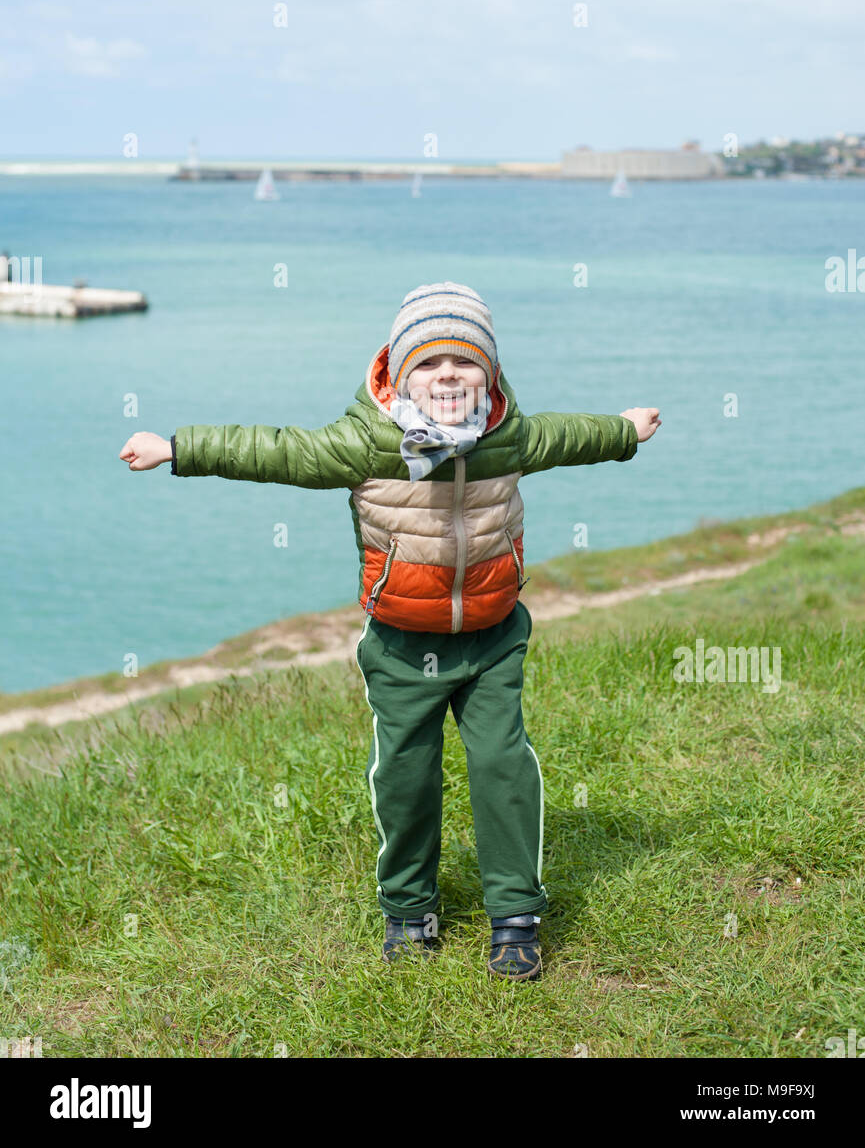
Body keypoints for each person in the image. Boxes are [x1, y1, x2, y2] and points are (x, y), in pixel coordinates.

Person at [119, 281, 660, 980]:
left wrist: (623, 431)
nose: (446, 377)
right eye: (428, 363)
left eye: (464, 362)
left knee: (502, 766)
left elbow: (573, 436)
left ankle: (515, 917)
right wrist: (174, 447)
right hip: (403, 645)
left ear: (488, 374)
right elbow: (274, 451)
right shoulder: (366, 444)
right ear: (400, 370)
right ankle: (410, 912)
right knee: (405, 777)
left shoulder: (509, 437)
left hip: (492, 638)